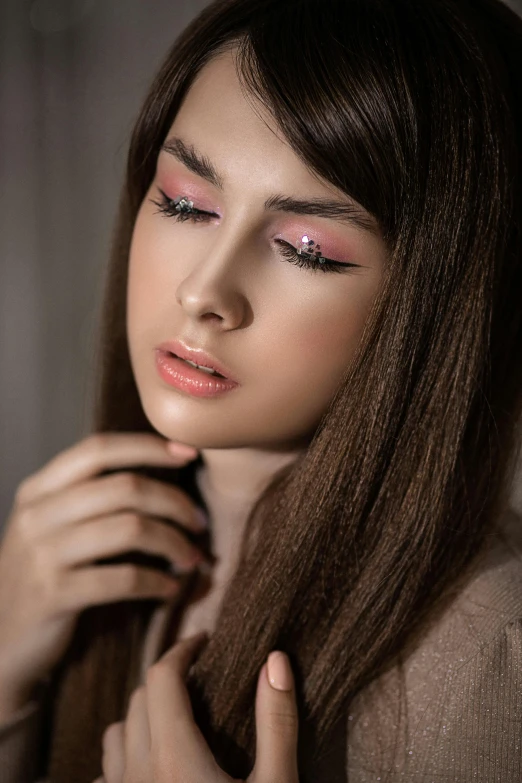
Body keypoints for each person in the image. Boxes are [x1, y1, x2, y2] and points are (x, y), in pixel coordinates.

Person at [1, 0, 522, 780]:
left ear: (436, 304)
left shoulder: (486, 661)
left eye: (308, 250)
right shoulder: (82, 562)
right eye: (184, 203)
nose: (204, 292)